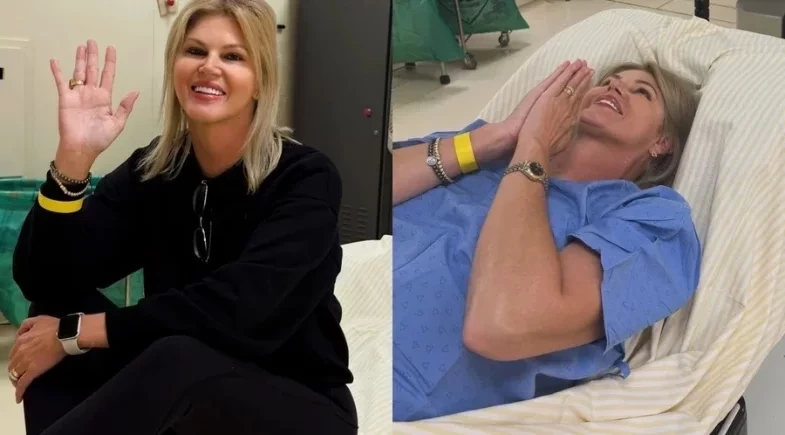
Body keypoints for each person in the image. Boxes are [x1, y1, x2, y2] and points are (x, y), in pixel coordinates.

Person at [6, 1, 358, 434]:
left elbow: (240, 311)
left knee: (171, 354)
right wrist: (72, 161)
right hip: (183, 386)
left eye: (233, 56)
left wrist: (80, 332)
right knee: (52, 315)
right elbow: (43, 280)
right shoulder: (156, 169)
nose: (209, 66)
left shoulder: (306, 178)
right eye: (195, 51)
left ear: (261, 81)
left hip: (299, 405)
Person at [391, 59, 702, 421]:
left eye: (642, 92)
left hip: (380, 376)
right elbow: (352, 191)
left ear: (663, 143)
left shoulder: (652, 218)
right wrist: (494, 139)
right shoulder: (490, 148)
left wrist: (535, 146)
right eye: (609, 81)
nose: (614, 87)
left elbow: (500, 325)